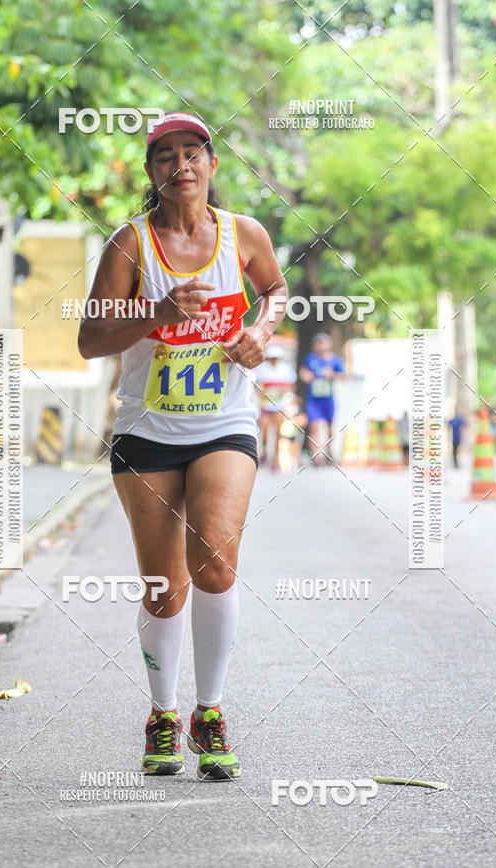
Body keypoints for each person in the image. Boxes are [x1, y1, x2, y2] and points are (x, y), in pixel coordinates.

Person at [78, 112, 288, 780]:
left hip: (224, 422)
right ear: (152, 173)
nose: (181, 167)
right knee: (165, 587)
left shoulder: (243, 235)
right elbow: (89, 339)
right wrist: (157, 314)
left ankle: (210, 710)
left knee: (216, 563)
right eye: (165, 157)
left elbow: (276, 290)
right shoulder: (130, 246)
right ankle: (163, 714)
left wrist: (263, 329)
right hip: (147, 431)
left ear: (212, 165)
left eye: (192, 153)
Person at [299, 333, 345, 465]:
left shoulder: (334, 360)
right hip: (313, 400)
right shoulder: (310, 359)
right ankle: (317, 457)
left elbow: (342, 375)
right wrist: (306, 376)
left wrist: (332, 374)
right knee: (314, 427)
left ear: (329, 344)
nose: (320, 345)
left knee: (330, 427)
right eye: (318, 343)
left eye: (323, 342)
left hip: (328, 399)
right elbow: (303, 372)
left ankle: (329, 452)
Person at [252, 344, 297, 471]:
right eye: (272, 358)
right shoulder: (261, 369)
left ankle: (275, 458)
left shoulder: (286, 369)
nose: (274, 360)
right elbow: (255, 384)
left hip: (279, 406)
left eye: (276, 358)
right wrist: (261, 392)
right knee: (265, 432)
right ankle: (265, 450)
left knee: (278, 433)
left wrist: (286, 392)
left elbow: (292, 385)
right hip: (265, 406)